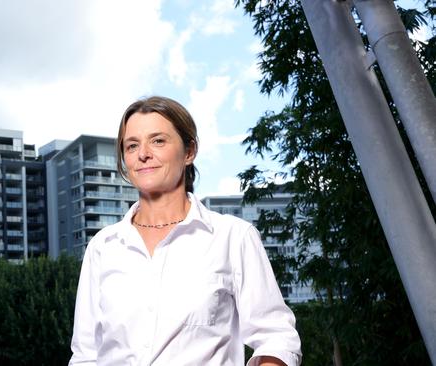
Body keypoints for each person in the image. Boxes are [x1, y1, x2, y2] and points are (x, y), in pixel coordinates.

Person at [69, 96, 302, 365]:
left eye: (158, 140)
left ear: (189, 151)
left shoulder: (232, 237)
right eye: (132, 145)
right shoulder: (103, 247)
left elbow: (276, 337)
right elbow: (85, 355)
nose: (143, 153)